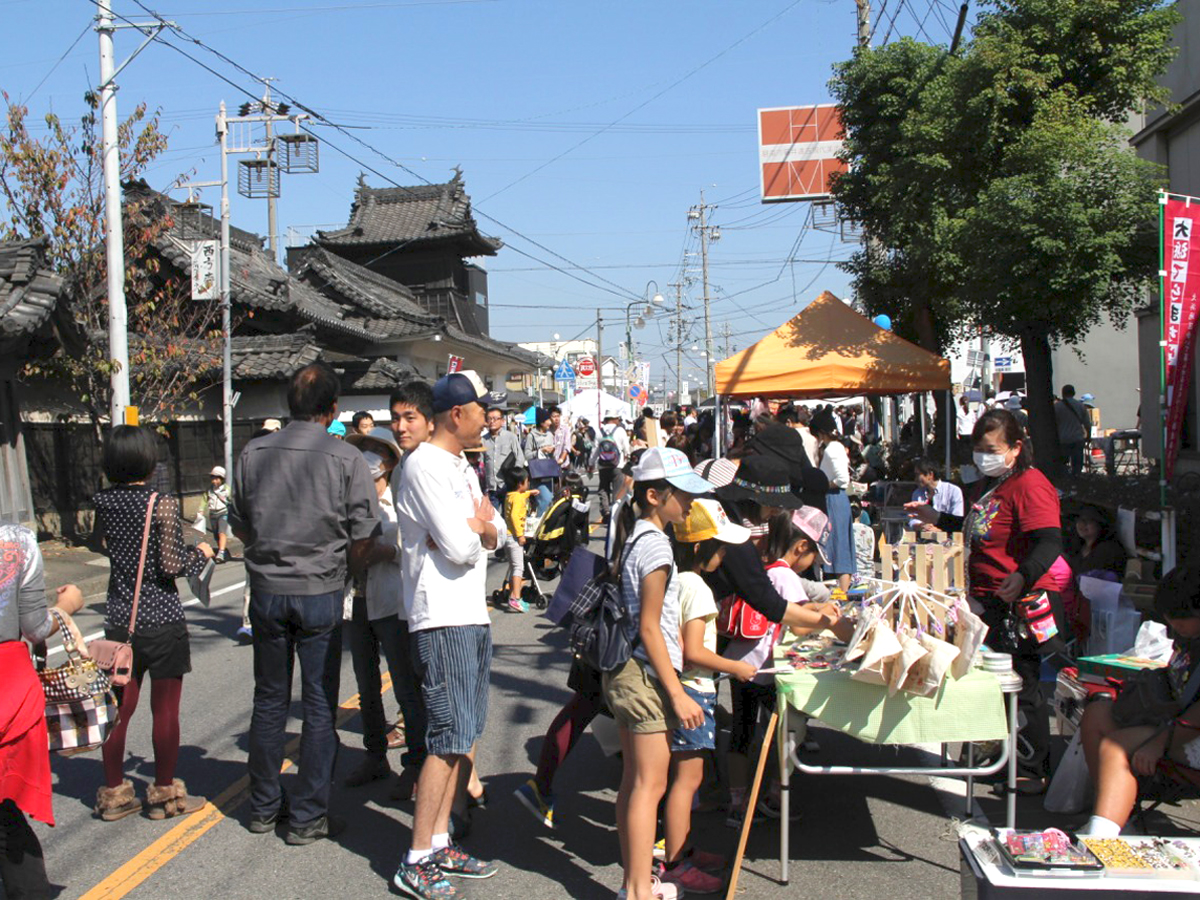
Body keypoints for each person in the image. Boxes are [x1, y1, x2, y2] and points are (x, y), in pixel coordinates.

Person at [230, 362, 381, 844]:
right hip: (321, 590)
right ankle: (309, 815)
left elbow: (239, 522)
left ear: (287, 405)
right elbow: (364, 532)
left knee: (269, 699)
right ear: (333, 410)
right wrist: (351, 574)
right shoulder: (346, 458)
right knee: (318, 703)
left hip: (268, 591)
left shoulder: (252, 452)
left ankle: (263, 807)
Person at [907, 408, 1065, 788]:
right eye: (978, 448)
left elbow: (1050, 540)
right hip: (987, 598)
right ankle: (996, 753)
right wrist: (937, 517)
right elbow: (974, 527)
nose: (983, 455)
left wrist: (1023, 574)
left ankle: (1031, 768)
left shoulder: (1030, 483)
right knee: (990, 681)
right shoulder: (988, 485)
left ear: (1015, 447)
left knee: (1023, 685)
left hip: (1023, 599)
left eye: (992, 448)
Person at [393, 370, 500, 899]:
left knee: (464, 734)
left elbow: (494, 532)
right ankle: (416, 856)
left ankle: (438, 842)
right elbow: (462, 546)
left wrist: (477, 530)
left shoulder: (461, 464)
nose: (489, 416)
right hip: (440, 616)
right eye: (482, 409)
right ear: (457, 414)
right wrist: (475, 531)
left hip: (470, 611)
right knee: (445, 736)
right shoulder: (423, 467)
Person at [602, 447, 712, 900]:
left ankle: (637, 882)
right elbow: (650, 626)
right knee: (651, 785)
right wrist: (677, 692)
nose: (689, 503)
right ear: (654, 495)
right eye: (682, 494)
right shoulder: (656, 543)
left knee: (635, 783)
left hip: (626, 671)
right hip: (645, 674)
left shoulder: (636, 536)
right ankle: (638, 891)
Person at [93, 425, 215, 822]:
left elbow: (102, 545)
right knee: (165, 711)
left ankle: (114, 794)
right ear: (147, 459)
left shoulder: (103, 502)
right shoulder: (158, 504)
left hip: (119, 621)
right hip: (161, 620)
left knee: (117, 710)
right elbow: (171, 566)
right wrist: (202, 553)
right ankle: (164, 795)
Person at [723, 509, 849, 827]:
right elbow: (800, 624)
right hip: (764, 669)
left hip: (742, 662)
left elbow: (796, 610)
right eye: (814, 557)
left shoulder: (765, 567)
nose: (813, 565)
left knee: (742, 731)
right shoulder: (786, 576)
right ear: (801, 547)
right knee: (788, 729)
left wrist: (818, 607)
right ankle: (775, 794)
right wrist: (830, 618)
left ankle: (737, 801)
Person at [660, 499, 756, 895]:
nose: (723, 555)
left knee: (686, 778)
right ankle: (676, 861)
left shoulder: (677, 580)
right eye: (719, 548)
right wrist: (735, 667)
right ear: (701, 548)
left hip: (688, 689)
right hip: (694, 690)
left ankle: (684, 849)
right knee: (687, 780)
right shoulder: (697, 587)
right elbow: (693, 652)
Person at [1077, 566, 1200, 836]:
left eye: (1180, 619)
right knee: (1096, 714)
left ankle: (1102, 836)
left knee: (1116, 747)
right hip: (1175, 721)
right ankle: (1117, 816)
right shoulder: (1188, 636)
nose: (1173, 626)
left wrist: (1158, 743)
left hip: (1187, 733)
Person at [0, 522, 84, 899]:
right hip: (8, 688)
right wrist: (66, 607)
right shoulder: (14, 541)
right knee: (5, 817)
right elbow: (35, 627)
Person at [343, 426, 410, 790]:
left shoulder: (400, 502)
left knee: (403, 682)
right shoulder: (348, 504)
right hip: (357, 602)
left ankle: (415, 763)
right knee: (366, 684)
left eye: (374, 450)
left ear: (388, 462)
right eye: (362, 448)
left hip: (392, 601)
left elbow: (411, 551)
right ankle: (374, 755)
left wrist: (386, 550)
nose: (367, 456)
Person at [387, 381, 439, 802]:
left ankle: (441, 781)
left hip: (433, 602)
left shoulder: (431, 463)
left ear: (430, 420)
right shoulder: (404, 464)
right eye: (396, 418)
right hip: (406, 595)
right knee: (408, 689)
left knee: (432, 693)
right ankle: (418, 765)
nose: (401, 427)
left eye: (410, 418)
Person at [811, 408, 856, 590]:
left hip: (834, 499)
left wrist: (823, 484)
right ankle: (840, 590)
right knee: (837, 544)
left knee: (838, 545)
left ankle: (843, 592)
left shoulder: (832, 449)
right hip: (835, 499)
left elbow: (842, 479)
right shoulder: (833, 447)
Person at [502, 466, 538, 614]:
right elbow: (515, 517)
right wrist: (520, 535)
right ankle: (515, 598)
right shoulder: (517, 498)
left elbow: (520, 496)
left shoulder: (511, 495)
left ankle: (513, 595)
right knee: (518, 568)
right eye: (527, 481)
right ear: (519, 484)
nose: (528, 483)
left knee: (513, 566)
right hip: (514, 536)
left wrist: (529, 493)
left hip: (507, 536)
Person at [482, 406, 525, 514]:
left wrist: (515, 477)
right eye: (489, 418)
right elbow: (481, 463)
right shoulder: (483, 440)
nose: (492, 421)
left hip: (507, 484)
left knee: (509, 515)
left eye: (495, 418)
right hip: (491, 486)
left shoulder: (511, 437)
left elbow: (520, 457)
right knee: (494, 517)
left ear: (502, 421)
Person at [1068, 505, 1126, 579]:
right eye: (1080, 520)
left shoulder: (1108, 550)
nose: (1082, 524)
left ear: (1100, 525)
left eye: (1088, 521)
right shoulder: (1076, 548)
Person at [592, 413, 631, 522]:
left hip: (603, 465)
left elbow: (595, 450)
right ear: (616, 419)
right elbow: (626, 449)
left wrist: (591, 464)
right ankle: (615, 511)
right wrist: (627, 461)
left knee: (603, 489)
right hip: (617, 465)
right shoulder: (620, 431)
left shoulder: (600, 431)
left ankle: (606, 512)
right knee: (617, 490)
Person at [907, 459, 964, 533]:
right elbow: (913, 518)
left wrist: (940, 529)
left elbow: (957, 520)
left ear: (930, 475)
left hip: (948, 539)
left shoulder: (953, 491)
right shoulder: (917, 493)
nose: (915, 479)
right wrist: (921, 526)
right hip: (924, 539)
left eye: (918, 474)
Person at [525, 407, 557, 516]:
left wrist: (553, 451)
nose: (550, 422)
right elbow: (527, 455)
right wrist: (541, 450)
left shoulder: (550, 435)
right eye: (548, 419)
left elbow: (553, 455)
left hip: (549, 473)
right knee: (546, 499)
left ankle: (543, 523)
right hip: (537, 474)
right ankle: (538, 523)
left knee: (551, 500)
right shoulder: (531, 436)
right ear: (542, 422)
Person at [1055, 384, 1090, 477]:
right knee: (1077, 463)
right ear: (1074, 393)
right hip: (1077, 438)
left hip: (1063, 439)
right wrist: (1088, 436)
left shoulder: (1057, 407)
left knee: (1063, 463)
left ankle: (1065, 479)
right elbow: (1087, 423)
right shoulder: (1080, 406)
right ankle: (1077, 479)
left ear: (1062, 393)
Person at [201, 465, 231, 563]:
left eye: (217, 478)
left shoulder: (226, 489)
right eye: (213, 478)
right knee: (216, 535)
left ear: (222, 479)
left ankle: (221, 552)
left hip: (223, 512)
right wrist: (201, 509)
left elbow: (232, 500)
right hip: (213, 514)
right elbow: (204, 499)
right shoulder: (209, 489)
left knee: (221, 532)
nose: (214, 481)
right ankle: (222, 552)